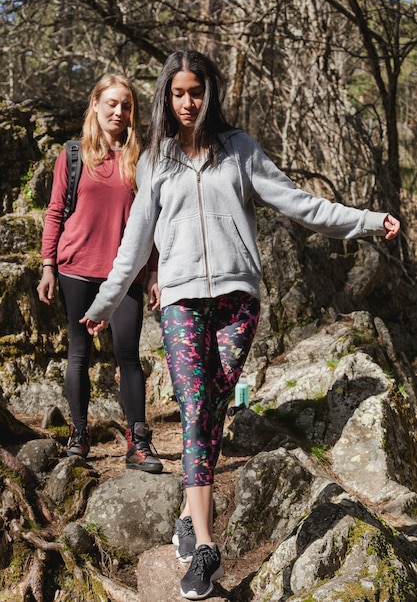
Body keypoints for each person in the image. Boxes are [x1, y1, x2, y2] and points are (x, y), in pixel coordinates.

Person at [80, 51, 400, 600]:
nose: (188, 103)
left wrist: (367, 221)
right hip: (180, 301)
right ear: (166, 96)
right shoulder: (155, 159)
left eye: (196, 92)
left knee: (214, 407)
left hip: (237, 301)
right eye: (178, 93)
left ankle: (188, 513)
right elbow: (134, 246)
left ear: (210, 93)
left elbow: (301, 205)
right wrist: (106, 303)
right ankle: (205, 547)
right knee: (197, 403)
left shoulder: (240, 150)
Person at [37, 72, 163, 474]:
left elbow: (152, 220)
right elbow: (55, 212)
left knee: (128, 354)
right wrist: (47, 267)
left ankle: (139, 442)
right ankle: (78, 436)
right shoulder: (73, 155)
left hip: (125, 273)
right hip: (76, 268)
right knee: (79, 353)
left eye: (126, 105)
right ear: (95, 105)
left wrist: (155, 271)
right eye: (111, 103)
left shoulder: (141, 159)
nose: (119, 111)